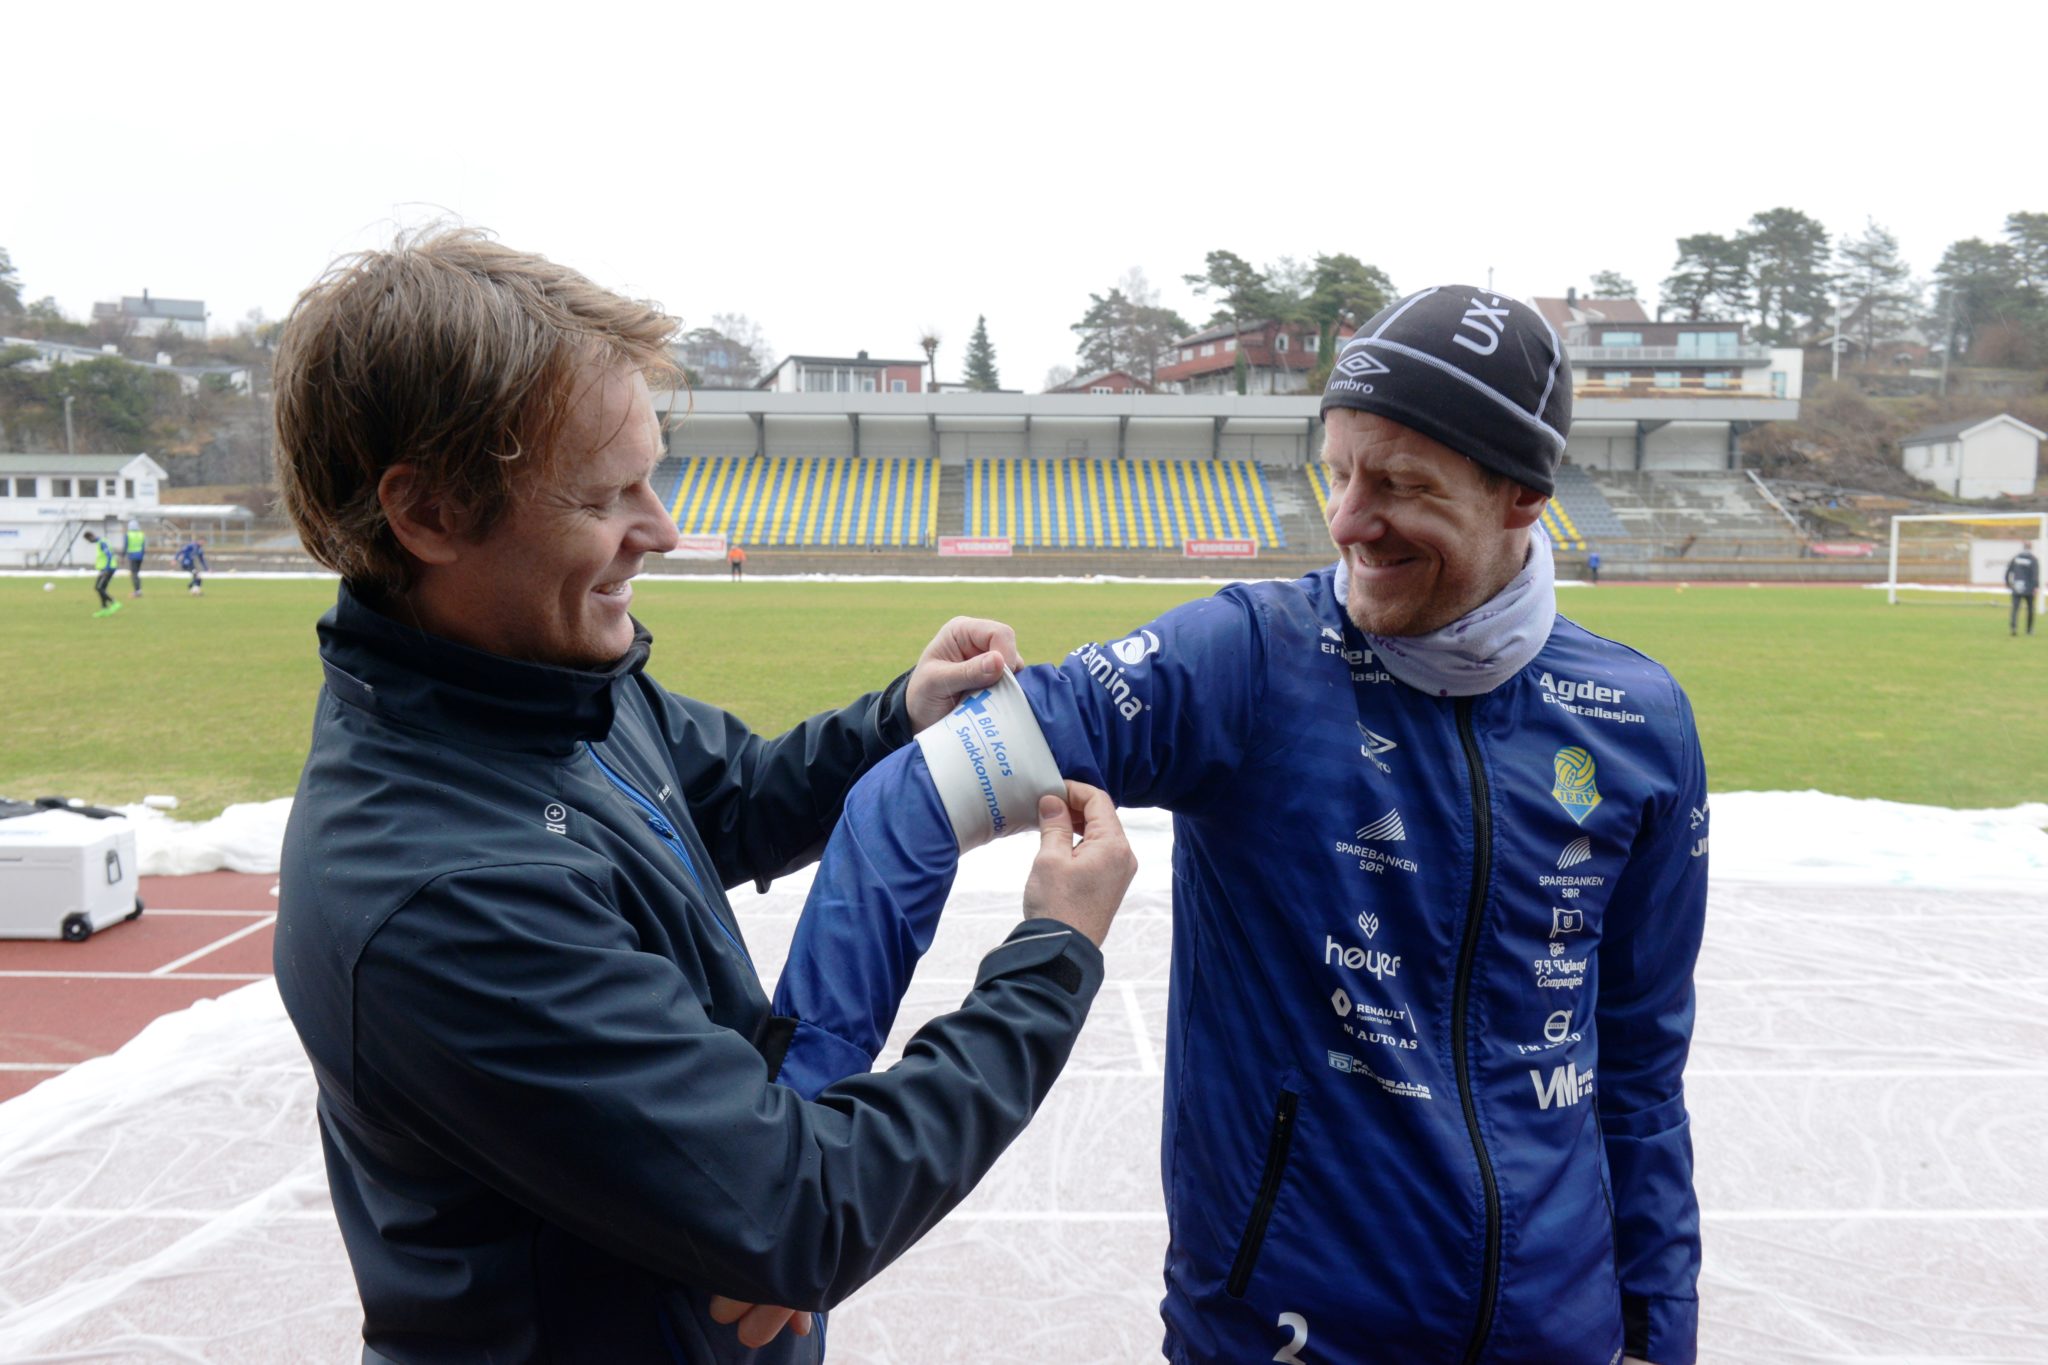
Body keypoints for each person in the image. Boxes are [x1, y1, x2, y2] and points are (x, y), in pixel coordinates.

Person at [769, 287, 1709, 1365]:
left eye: (1399, 484)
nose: (1348, 519)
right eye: (1339, 468)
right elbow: (909, 797)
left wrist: (1653, 1331)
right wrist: (802, 1149)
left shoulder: (1637, 718)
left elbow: (1637, 1073)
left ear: (1522, 497)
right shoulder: (1245, 660)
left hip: (1560, 1334)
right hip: (1278, 1336)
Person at [268, 229, 1136, 1365]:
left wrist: (898, 719)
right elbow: (801, 1213)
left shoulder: (547, 681)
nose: (662, 529)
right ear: (427, 514)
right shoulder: (446, 896)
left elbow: (728, 799)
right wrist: (1052, 954)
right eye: (603, 495)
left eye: (653, 474)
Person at [84, 530, 121, 616]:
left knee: (99, 588)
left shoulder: (102, 543)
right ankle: (104, 609)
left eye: (89, 540)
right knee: (99, 588)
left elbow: (109, 555)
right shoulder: (101, 541)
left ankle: (114, 602)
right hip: (105, 569)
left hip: (108, 568)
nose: (89, 542)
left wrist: (106, 569)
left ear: (91, 537)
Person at [2006, 541, 2038, 636]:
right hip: (2028, 588)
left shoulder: (2016, 558)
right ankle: (2029, 630)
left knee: (2015, 608)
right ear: (2031, 548)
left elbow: (2008, 572)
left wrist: (2008, 583)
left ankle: (2014, 627)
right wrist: (2035, 587)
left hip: (2017, 587)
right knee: (2030, 609)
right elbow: (2035, 575)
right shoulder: (2033, 559)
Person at [123, 518, 146, 596]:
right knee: (137, 573)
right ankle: (138, 589)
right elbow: (143, 546)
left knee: (134, 574)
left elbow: (126, 545)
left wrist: (123, 556)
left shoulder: (128, 534)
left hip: (132, 556)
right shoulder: (141, 534)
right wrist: (142, 555)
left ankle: (137, 591)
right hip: (140, 556)